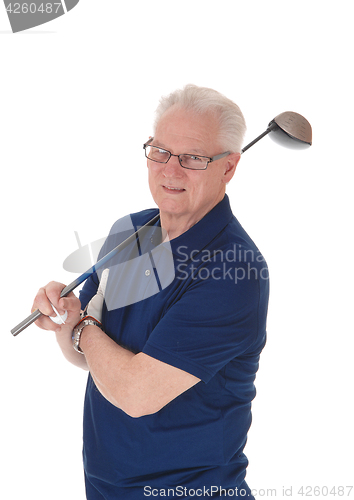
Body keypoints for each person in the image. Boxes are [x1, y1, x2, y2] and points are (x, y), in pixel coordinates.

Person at [32, 84, 269, 499]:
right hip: (106, 488)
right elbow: (88, 357)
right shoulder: (132, 232)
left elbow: (136, 393)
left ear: (228, 168)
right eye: (159, 151)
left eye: (192, 158)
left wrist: (81, 326)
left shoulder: (235, 272)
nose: (169, 171)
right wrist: (69, 323)